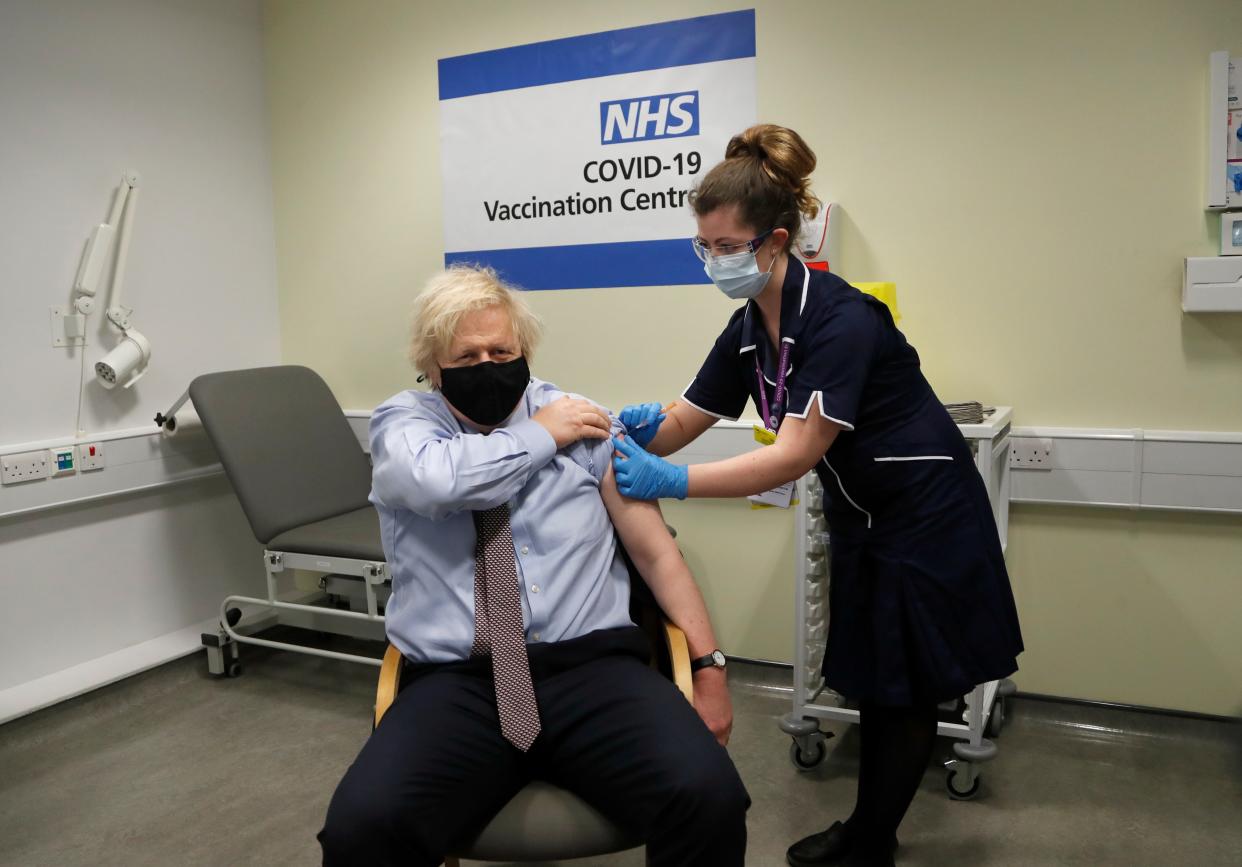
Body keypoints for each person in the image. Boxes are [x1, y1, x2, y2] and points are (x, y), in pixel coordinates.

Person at [611, 124, 1023, 867]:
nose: (713, 261)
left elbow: (792, 455)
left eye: (726, 247)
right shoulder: (747, 329)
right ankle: (870, 830)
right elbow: (685, 417)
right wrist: (627, 435)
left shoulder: (843, 318)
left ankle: (869, 840)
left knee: (905, 688)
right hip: (866, 519)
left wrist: (670, 481)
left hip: (924, 517)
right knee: (876, 682)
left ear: (774, 242)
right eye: (703, 246)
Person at [317, 265, 749, 866]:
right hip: (456, 682)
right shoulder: (406, 426)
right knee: (363, 828)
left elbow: (656, 553)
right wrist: (542, 436)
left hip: (593, 670)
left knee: (709, 796)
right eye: (466, 356)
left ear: (526, 351)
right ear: (432, 368)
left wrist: (709, 669)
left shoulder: (584, 421)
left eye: (502, 350)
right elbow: (440, 482)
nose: (488, 365)